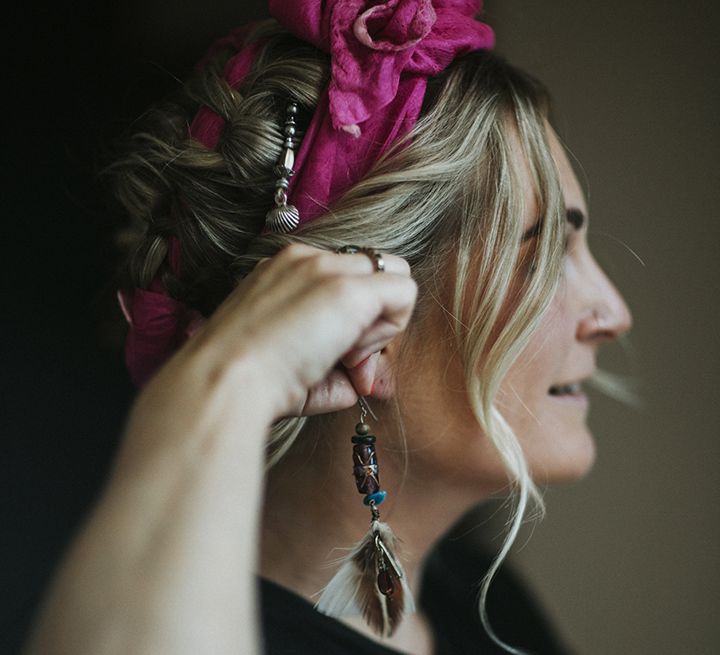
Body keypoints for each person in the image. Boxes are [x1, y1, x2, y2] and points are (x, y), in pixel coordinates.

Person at [24, 2, 632, 654]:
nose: (614, 314)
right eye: (542, 259)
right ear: (369, 315)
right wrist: (235, 374)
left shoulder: (493, 607)